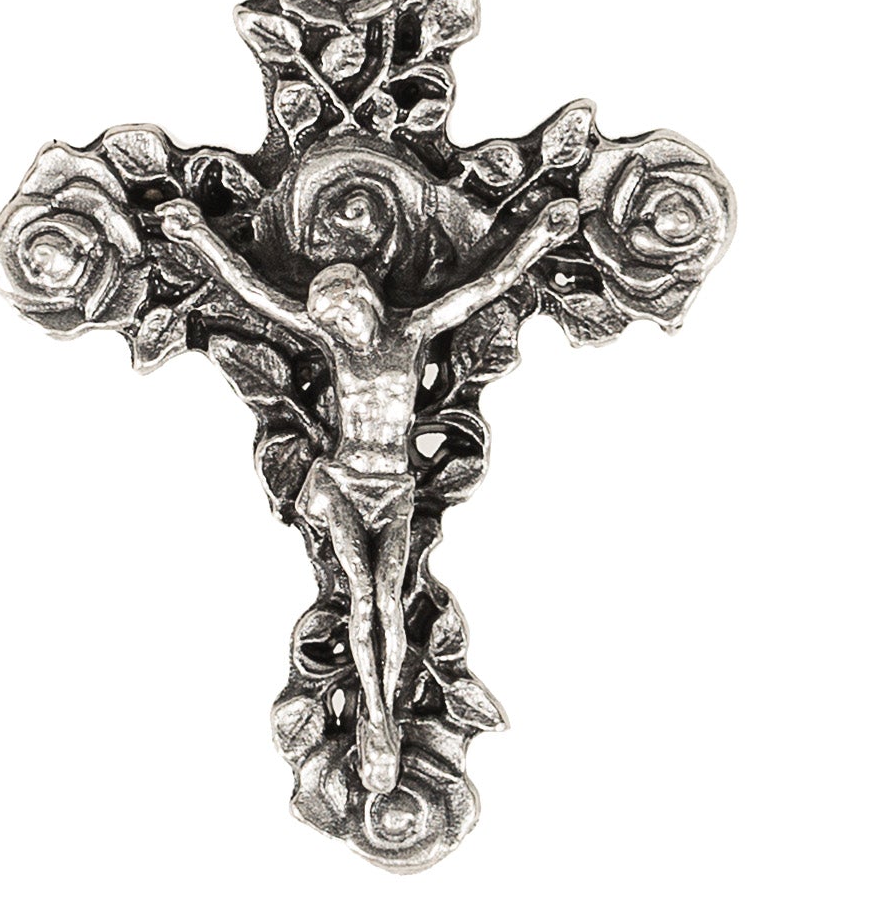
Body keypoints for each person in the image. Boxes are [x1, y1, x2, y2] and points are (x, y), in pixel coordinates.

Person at [156, 189, 583, 795]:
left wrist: (541, 234)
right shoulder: (331, 343)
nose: (338, 329)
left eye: (343, 317)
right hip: (341, 482)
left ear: (364, 302)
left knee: (389, 600)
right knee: (360, 596)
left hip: (395, 488)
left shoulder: (413, 333)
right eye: (329, 323)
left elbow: (485, 286)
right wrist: (197, 234)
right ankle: (377, 722)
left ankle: (383, 711)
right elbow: (255, 293)